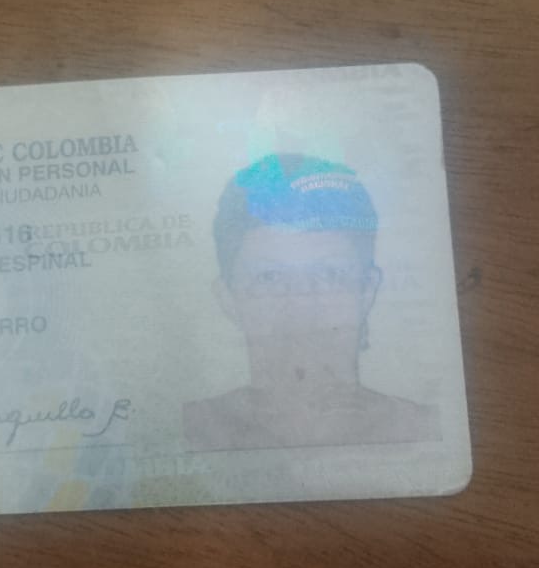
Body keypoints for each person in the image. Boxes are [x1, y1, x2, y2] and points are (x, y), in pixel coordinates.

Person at [183, 153, 439, 450]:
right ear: (227, 299)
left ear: (367, 291)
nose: (301, 304)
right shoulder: (186, 431)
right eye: (270, 277)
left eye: (330, 274)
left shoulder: (425, 430)